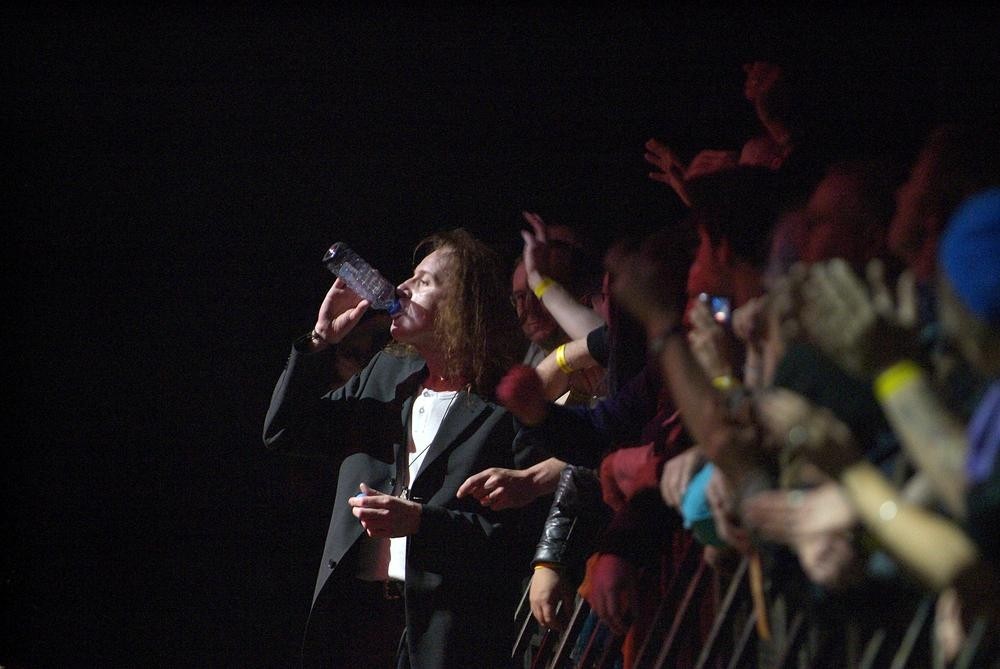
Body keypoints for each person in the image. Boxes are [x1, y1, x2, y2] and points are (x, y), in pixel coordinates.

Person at [263, 228, 548, 668]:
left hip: (441, 631)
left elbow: (509, 545)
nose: (400, 288)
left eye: (425, 280)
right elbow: (286, 431)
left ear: (463, 306)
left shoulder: (505, 404)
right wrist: (320, 339)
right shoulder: (388, 372)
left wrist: (420, 523)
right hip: (358, 618)